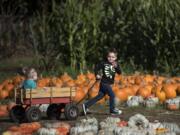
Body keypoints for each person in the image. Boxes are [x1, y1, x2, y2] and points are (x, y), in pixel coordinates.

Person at [82, 48, 122, 115]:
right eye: (109, 57)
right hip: (104, 83)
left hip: (108, 84)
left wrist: (116, 67)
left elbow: (119, 72)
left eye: (113, 57)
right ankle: (112, 110)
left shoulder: (116, 64)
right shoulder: (104, 63)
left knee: (99, 96)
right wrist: (96, 74)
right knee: (112, 95)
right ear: (107, 57)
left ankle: (86, 105)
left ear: (115, 58)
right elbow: (96, 68)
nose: (111, 58)